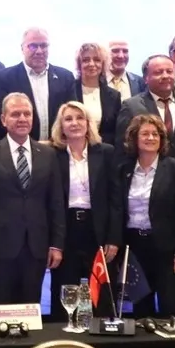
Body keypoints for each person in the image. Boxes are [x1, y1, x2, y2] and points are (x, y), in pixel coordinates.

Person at [0, 93, 65, 304]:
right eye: (15, 114)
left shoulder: (48, 154)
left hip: (37, 246)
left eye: (27, 114)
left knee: (31, 306)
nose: (22, 119)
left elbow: (56, 203)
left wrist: (56, 244)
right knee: (0, 308)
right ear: (3, 119)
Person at [110, 115, 175, 317]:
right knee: (140, 310)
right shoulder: (123, 169)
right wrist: (114, 241)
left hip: (167, 249)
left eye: (156, 134)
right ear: (134, 138)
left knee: (170, 306)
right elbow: (116, 209)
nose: (151, 138)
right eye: (145, 133)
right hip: (134, 247)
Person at [48, 102, 119, 320]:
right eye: (68, 119)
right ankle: (63, 334)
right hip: (66, 228)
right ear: (60, 126)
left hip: (96, 229)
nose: (75, 123)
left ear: (89, 123)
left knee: (102, 292)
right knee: (65, 289)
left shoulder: (106, 152)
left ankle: (102, 335)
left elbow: (115, 199)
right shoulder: (52, 154)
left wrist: (113, 238)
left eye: (80, 118)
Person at [114, 54, 175, 172]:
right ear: (146, 78)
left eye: (169, 71)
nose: (165, 76)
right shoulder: (131, 106)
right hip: (148, 175)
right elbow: (122, 148)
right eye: (158, 72)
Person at [0, 27, 77, 143]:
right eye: (33, 46)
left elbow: (72, 114)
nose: (39, 51)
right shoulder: (5, 78)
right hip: (21, 147)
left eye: (44, 46)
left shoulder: (65, 77)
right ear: (22, 48)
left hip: (58, 147)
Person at [73, 42, 121, 142]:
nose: (91, 64)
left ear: (103, 64)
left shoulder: (114, 96)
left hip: (104, 149)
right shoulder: (69, 90)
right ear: (79, 64)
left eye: (97, 60)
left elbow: (115, 131)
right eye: (86, 60)